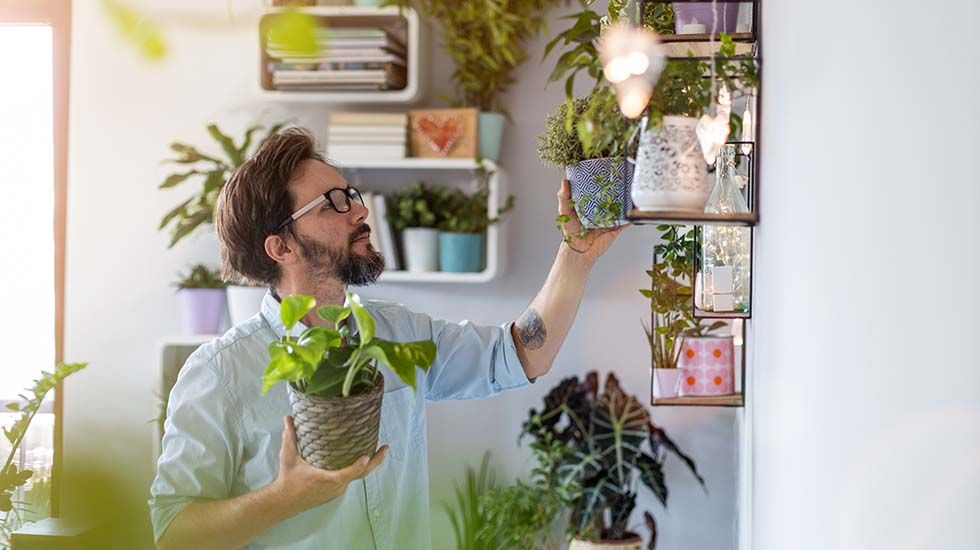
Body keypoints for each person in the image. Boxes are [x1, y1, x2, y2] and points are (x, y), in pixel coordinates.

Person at [149, 127, 624, 549]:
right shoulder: (219, 375)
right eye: (333, 203)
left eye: (351, 194)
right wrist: (283, 498)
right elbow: (172, 534)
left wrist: (576, 256)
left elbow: (521, 354)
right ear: (281, 246)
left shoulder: (397, 333)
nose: (359, 208)